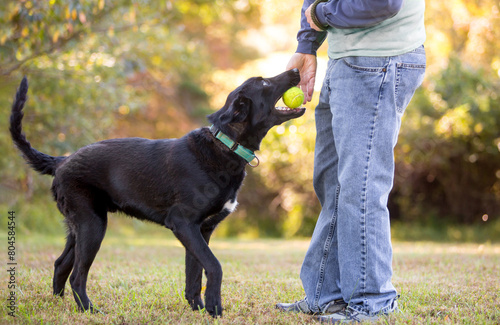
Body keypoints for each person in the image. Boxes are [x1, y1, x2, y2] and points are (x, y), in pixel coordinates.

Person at [276, 0, 426, 323]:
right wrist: (307, 44)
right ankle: (324, 294)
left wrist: (320, 16)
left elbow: (384, 3)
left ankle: (373, 302)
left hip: (378, 60)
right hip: (345, 61)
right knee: (333, 185)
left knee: (361, 186)